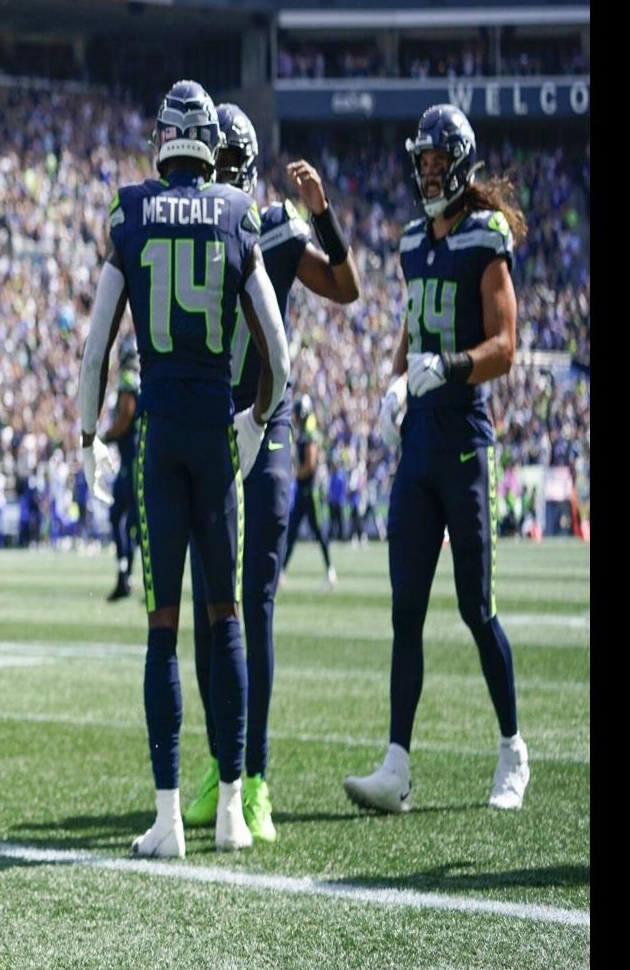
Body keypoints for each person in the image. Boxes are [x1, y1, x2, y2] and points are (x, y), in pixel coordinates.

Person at [77, 81, 290, 859]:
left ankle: (170, 818)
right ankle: (231, 809)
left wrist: (85, 434)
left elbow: (98, 343)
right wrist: (256, 416)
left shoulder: (130, 211)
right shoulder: (237, 213)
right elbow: (280, 348)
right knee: (225, 618)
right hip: (215, 434)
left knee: (162, 629)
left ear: (163, 141)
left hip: (159, 436)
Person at [343, 104, 531, 816]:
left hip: (462, 439)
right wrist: (396, 380)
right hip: (418, 439)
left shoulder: (486, 236)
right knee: (405, 610)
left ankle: (513, 749)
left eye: (433, 160)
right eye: (419, 160)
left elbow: (505, 346)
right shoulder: (414, 240)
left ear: (458, 160)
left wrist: (447, 369)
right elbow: (411, 324)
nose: (425, 170)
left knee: (476, 608)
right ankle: (396, 764)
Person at [183, 110, 359, 843]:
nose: (220, 171)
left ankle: (255, 778)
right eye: (212, 158)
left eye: (230, 159)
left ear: (248, 164)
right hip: (206, 422)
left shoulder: (278, 228)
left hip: (268, 421)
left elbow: (345, 287)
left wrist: (322, 216)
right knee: (206, 604)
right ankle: (223, 764)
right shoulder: (187, 227)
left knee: (253, 600)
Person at [100, 334, 141, 601]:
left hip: (132, 461)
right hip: (135, 459)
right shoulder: (140, 379)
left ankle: (126, 576)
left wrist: (107, 436)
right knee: (130, 522)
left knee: (123, 518)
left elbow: (126, 415)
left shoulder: (129, 379)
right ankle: (126, 575)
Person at [282, 392, 338, 588]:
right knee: (292, 531)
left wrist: (296, 474)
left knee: (319, 532)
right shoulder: (305, 432)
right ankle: (281, 571)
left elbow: (311, 464)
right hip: (303, 489)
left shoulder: (309, 434)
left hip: (310, 491)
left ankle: (330, 572)